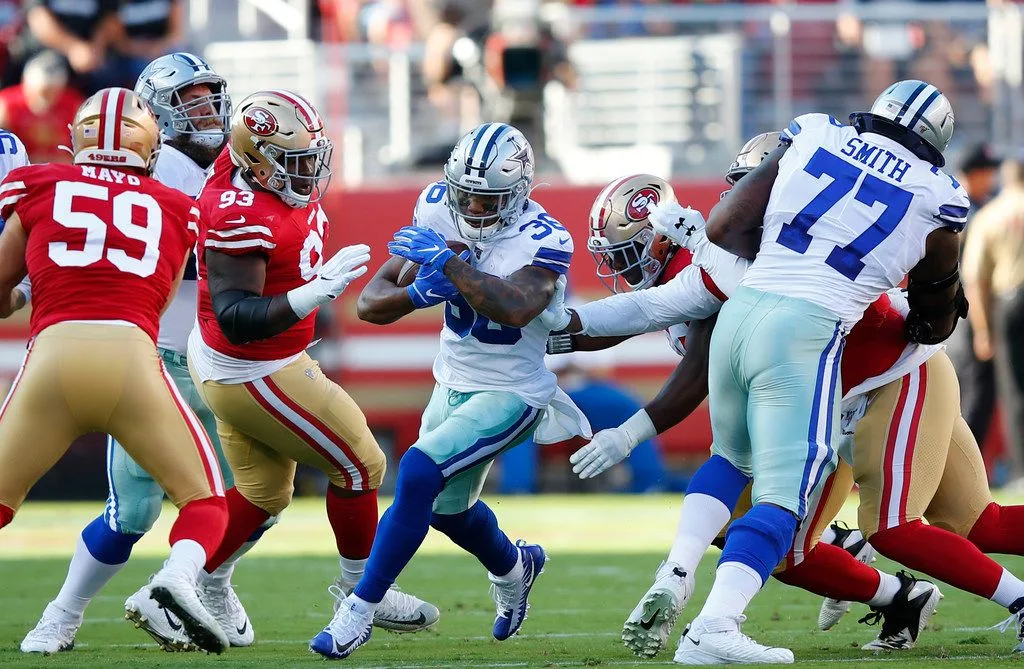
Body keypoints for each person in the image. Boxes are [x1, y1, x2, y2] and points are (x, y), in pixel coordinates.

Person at [541, 148, 938, 658]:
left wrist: (631, 430)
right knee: (767, 525)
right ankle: (713, 595)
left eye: (744, 186)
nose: (732, 199)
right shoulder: (715, 259)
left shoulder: (755, 251)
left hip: (881, 381)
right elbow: (646, 309)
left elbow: (694, 366)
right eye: (731, 186)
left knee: (885, 525)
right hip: (823, 385)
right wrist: (561, 329)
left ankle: (712, 608)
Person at [680, 79, 966, 663]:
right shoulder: (940, 195)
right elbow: (934, 321)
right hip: (809, 327)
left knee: (729, 461)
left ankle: (673, 577)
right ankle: (715, 624)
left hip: (745, 311)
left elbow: (723, 226)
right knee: (786, 491)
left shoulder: (814, 132)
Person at [17, 52, 256, 655]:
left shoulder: (47, 181)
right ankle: (70, 611)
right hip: (160, 358)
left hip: (165, 355)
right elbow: (183, 269)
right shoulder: (170, 184)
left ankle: (204, 586)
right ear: (155, 122)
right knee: (153, 509)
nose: (206, 111)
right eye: (190, 101)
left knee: (250, 495)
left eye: (209, 97)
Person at [322, 121, 588, 660]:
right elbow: (371, 303)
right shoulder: (438, 206)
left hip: (514, 391)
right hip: (452, 380)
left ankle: (360, 607)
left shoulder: (546, 238)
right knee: (444, 510)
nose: (472, 208)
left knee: (417, 471)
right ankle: (516, 565)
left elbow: (515, 306)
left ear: (518, 193)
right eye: (464, 194)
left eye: (487, 199)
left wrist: (447, 262)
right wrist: (418, 292)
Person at [187, 89, 438, 645]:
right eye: (293, 162)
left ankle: (191, 582)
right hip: (254, 365)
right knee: (361, 465)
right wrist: (313, 293)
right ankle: (362, 593)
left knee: (263, 495)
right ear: (256, 160)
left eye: (310, 158)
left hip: (249, 363)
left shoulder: (247, 161)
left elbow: (221, 125)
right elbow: (236, 318)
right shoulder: (239, 210)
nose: (308, 172)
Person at [962, 153, 1024, 487]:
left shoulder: (991, 214)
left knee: (1013, 391)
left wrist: (982, 331)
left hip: (1011, 303)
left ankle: (1020, 471)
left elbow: (975, 277)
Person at [946, 143, 1001, 448]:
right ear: (974, 174)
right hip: (964, 311)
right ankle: (965, 468)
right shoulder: (961, 208)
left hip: (963, 311)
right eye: (987, 172)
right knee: (974, 388)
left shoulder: (980, 206)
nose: (991, 178)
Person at [0, 50, 83, 164]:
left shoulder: (74, 105)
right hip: (20, 168)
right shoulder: (7, 105)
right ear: (26, 85)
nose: (45, 98)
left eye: (51, 92)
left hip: (61, 170)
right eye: (41, 92)